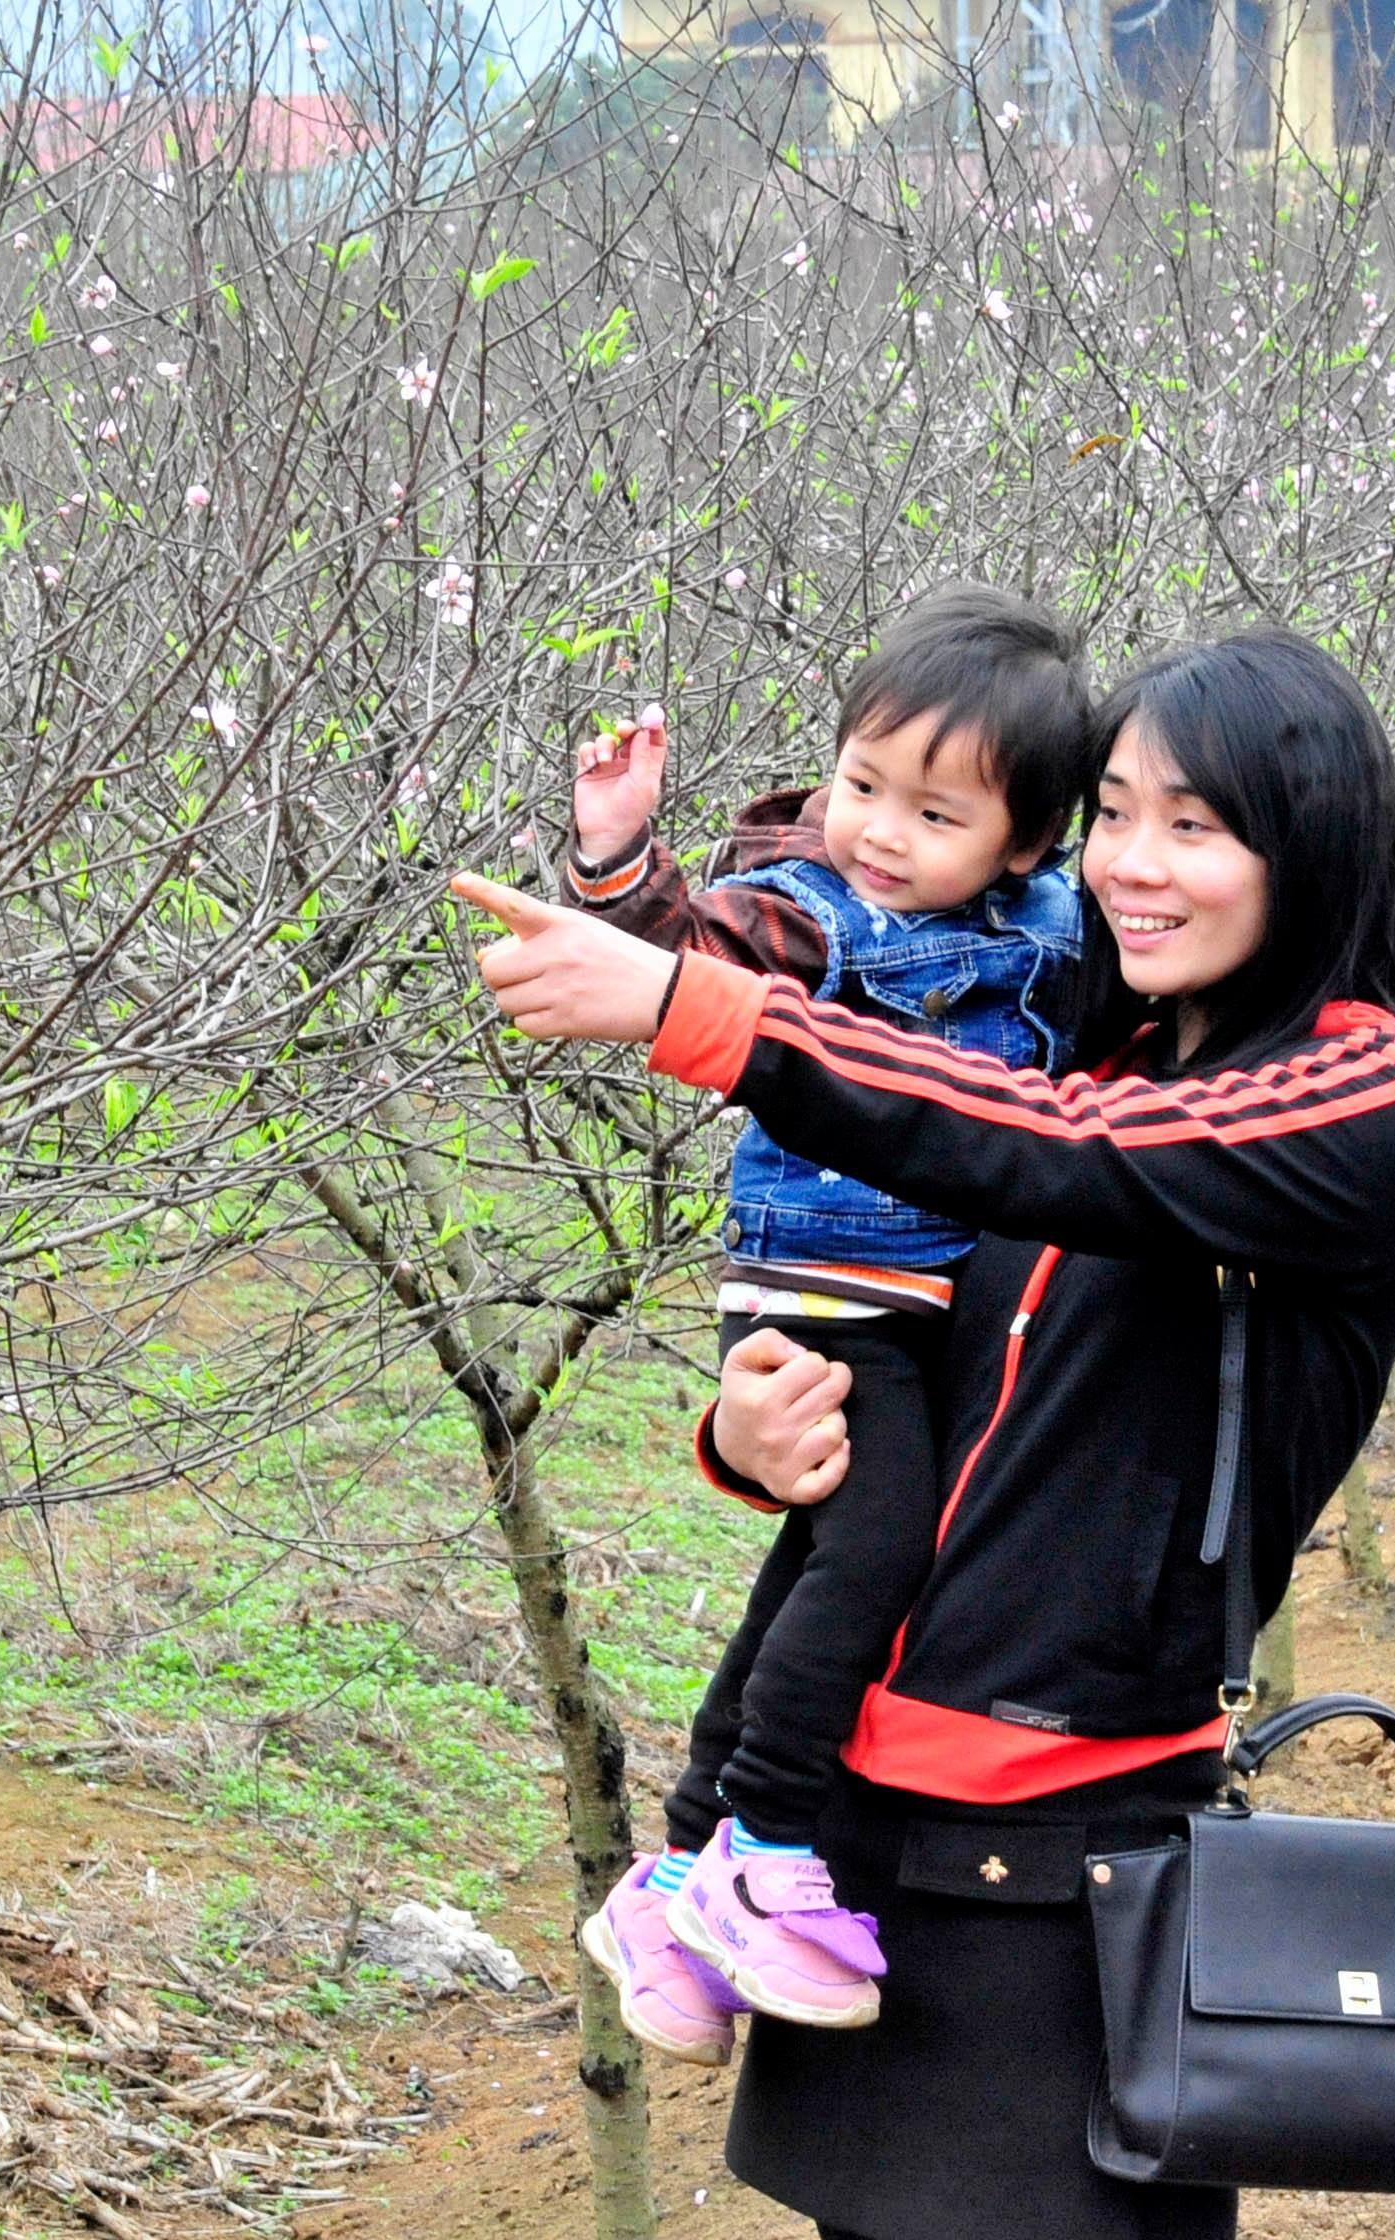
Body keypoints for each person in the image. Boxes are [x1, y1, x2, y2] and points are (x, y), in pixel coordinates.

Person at [457, 628, 1395, 2240]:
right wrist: (753, 1436)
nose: (1133, 869)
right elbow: (951, 1336)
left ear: (1314, 840)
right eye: (1115, 818)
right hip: (853, 1827)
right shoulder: (1107, 1034)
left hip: (1067, 1855)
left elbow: (1035, 1150)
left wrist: (695, 1007)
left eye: (1193, 828)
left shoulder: (1360, 1095)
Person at [561, 586, 1097, 2061]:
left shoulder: (1058, 921)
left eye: (935, 813)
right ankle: (761, 1845)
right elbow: (698, 951)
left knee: (821, 1551)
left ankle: (672, 1875)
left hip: (929, 1299)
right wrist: (619, 857)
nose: (879, 830)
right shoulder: (820, 906)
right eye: (864, 783)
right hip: (823, 1281)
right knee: (878, 1547)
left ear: (1028, 842)